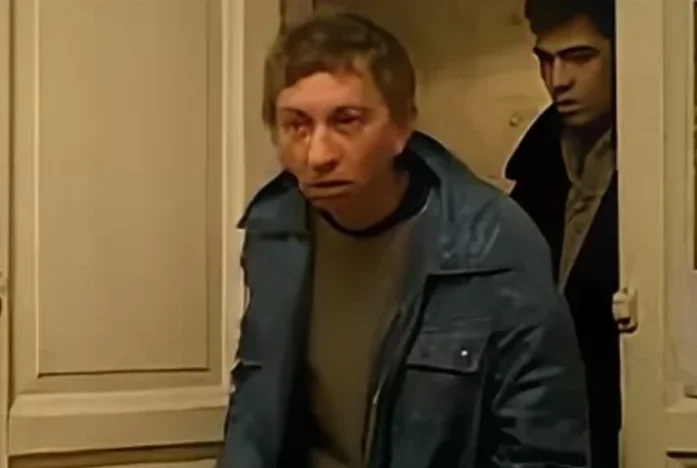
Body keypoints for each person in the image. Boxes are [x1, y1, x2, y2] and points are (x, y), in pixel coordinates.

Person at [218, 12, 589, 468]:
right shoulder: (275, 231)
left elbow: (543, 448)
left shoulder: (492, 240)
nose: (318, 155)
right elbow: (255, 406)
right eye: (297, 125)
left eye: (346, 121)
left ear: (401, 127)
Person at [504, 0, 620, 466]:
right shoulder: (538, 169)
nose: (558, 80)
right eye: (546, 60)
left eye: (580, 57)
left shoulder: (671, 163)